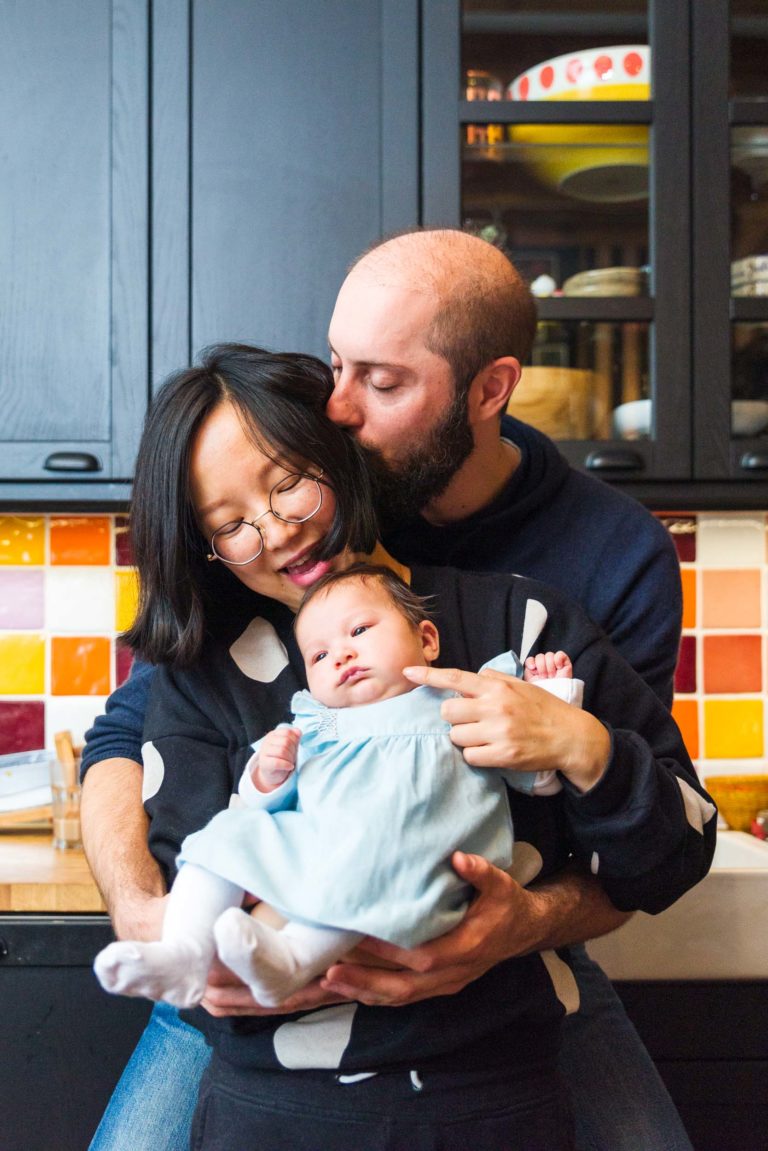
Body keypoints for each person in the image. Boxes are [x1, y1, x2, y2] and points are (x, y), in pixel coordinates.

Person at [82, 232, 692, 1151]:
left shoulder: (591, 567)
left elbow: (634, 835)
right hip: (260, 988)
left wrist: (513, 926)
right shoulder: (276, 549)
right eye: (335, 368)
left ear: (490, 389)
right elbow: (127, 737)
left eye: (382, 379)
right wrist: (156, 916)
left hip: (500, 975)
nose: (341, 406)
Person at [94, 564, 581, 1012]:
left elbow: (538, 777)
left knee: (361, 872)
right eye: (320, 654)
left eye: (360, 631)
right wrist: (270, 771)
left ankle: (291, 960)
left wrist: (553, 698)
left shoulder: (464, 698)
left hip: (416, 856)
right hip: (323, 842)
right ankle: (184, 952)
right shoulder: (317, 725)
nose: (342, 654)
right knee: (227, 837)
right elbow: (268, 801)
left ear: (426, 639)